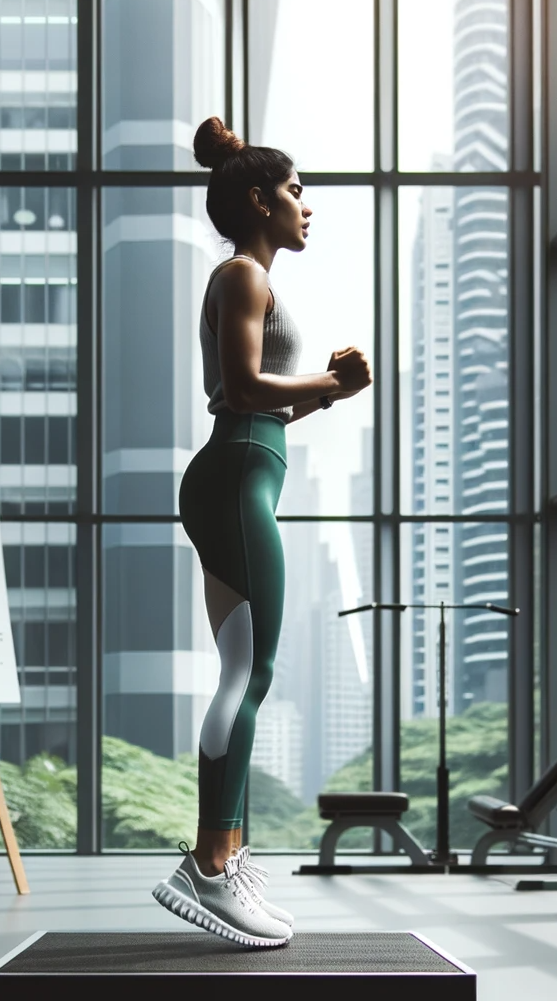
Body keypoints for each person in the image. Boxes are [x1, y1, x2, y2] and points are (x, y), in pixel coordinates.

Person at [151, 118, 372, 948]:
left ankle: (229, 857)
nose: (304, 206)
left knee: (244, 670)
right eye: (295, 191)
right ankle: (208, 866)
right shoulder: (243, 274)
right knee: (250, 672)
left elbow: (266, 403)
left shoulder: (252, 278)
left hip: (243, 469)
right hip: (237, 472)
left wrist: (330, 395)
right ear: (258, 199)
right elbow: (241, 389)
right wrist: (328, 378)